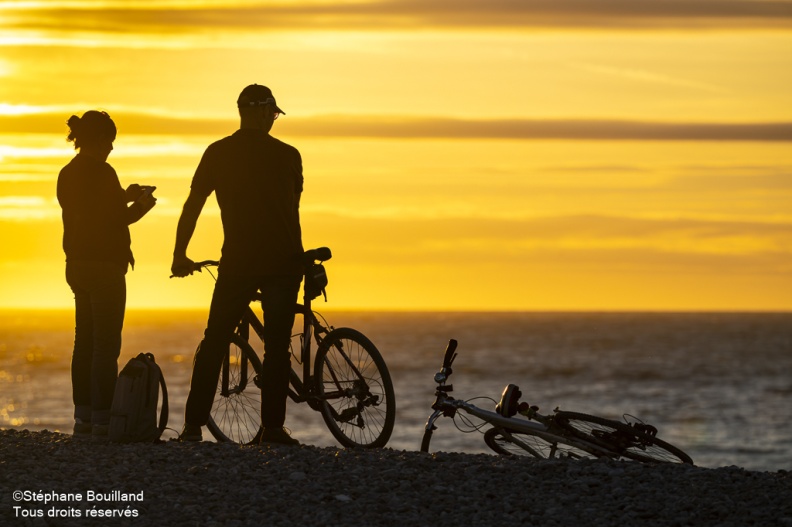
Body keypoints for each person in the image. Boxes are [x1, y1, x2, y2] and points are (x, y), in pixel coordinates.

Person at [171, 84, 304, 445]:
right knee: (277, 347)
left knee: (214, 341)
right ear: (262, 113)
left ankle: (192, 428)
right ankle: (273, 430)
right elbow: (292, 211)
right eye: (274, 114)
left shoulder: (217, 153)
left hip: (239, 261)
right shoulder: (290, 155)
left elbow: (193, 205)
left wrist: (179, 253)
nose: (274, 121)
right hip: (284, 261)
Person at [57, 110, 157, 439]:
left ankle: (83, 418)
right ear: (100, 140)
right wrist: (143, 205)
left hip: (77, 265)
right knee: (104, 347)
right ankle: (103, 420)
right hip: (105, 268)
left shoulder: (67, 174)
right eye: (110, 141)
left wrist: (124, 194)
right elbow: (117, 220)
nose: (112, 148)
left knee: (82, 343)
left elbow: (94, 210)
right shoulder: (103, 172)